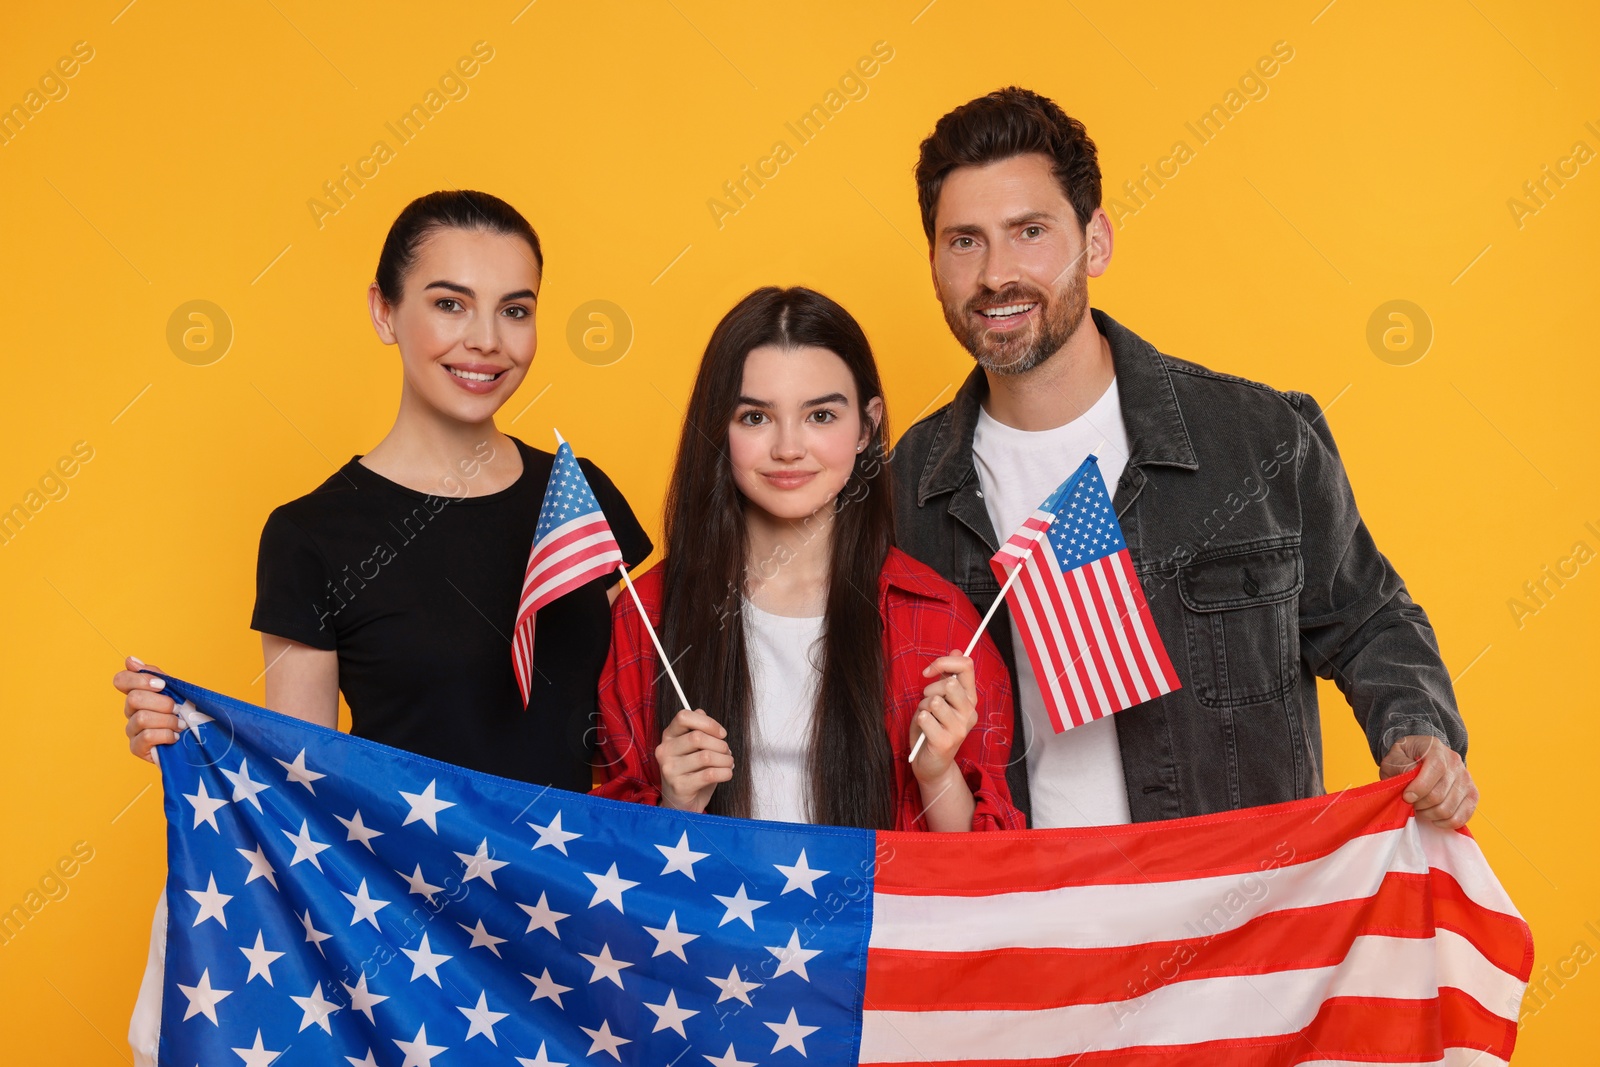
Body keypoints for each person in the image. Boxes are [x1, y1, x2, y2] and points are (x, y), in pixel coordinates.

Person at [112, 190, 651, 1066]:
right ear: (383, 312)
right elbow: (295, 775)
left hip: (577, 928)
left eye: (515, 311)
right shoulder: (311, 535)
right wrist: (184, 741)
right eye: (449, 303)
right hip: (409, 949)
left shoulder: (579, 500)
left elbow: (642, 716)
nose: (486, 340)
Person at [892, 87, 1478, 831]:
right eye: (964, 240)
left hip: (1238, 917)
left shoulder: (1257, 439)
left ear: (1094, 241)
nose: (995, 274)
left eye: (1030, 231)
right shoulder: (905, 488)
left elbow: (1369, 619)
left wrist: (1416, 732)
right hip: (1034, 926)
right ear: (936, 261)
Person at [595, 286, 1023, 832]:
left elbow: (979, 880)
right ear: (716, 427)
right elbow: (606, 866)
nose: (789, 448)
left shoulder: (939, 621)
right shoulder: (645, 617)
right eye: (755, 418)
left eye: (820, 415)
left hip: (877, 917)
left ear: (867, 427)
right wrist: (675, 804)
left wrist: (937, 774)